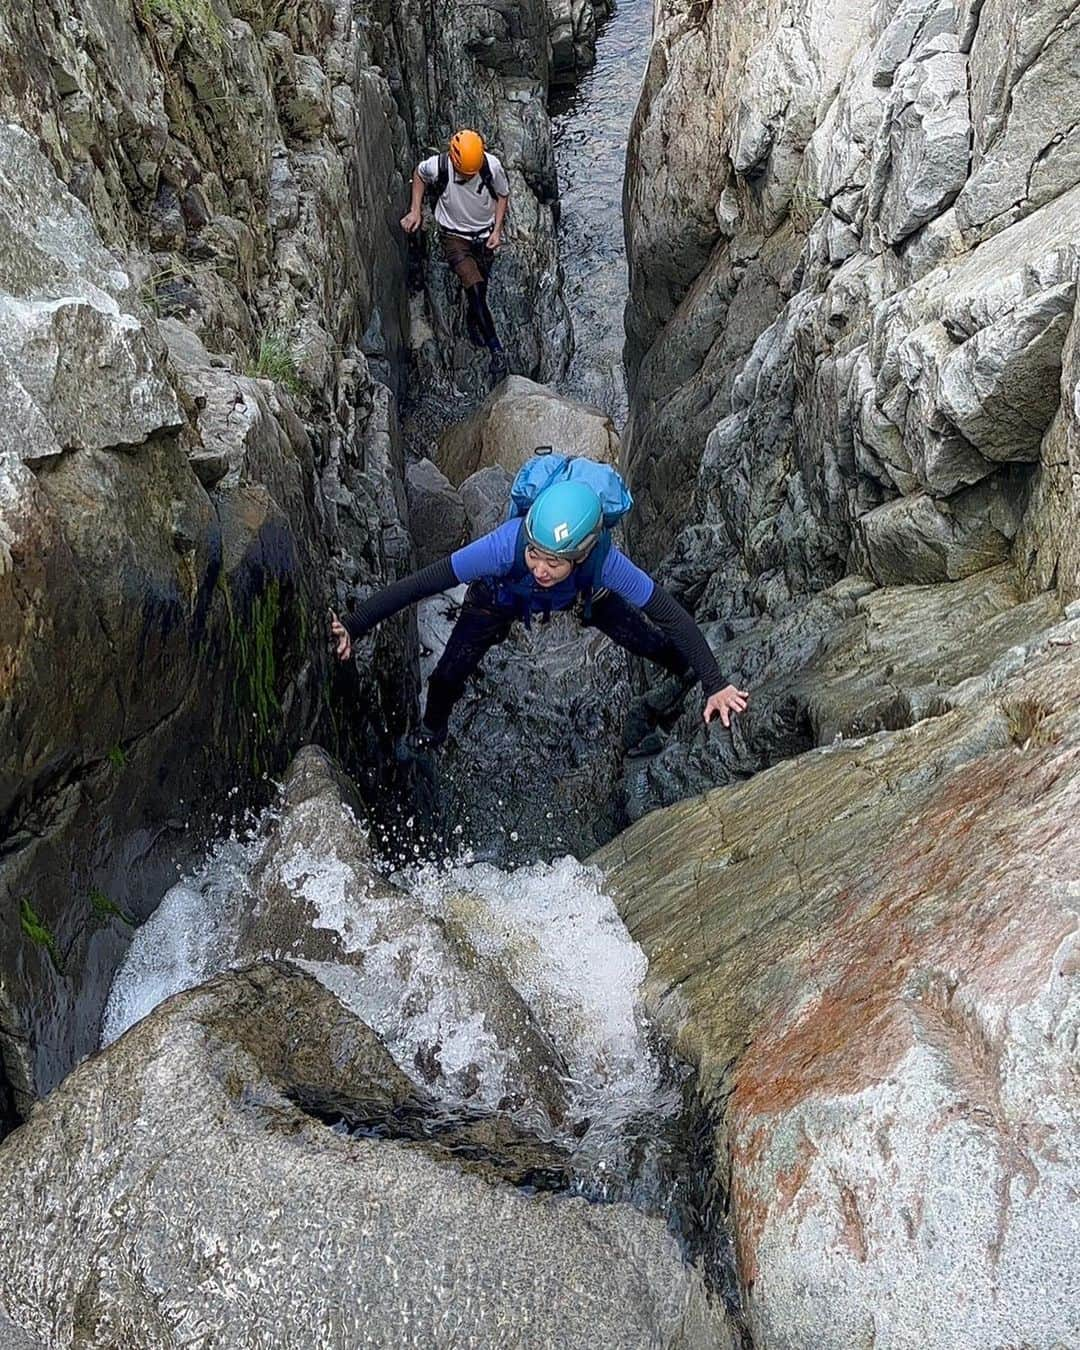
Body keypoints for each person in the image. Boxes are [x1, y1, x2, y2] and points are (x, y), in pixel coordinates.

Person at [331, 479, 749, 753]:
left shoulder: (603, 563)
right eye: (535, 554)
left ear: (582, 554)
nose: (540, 568)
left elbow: (668, 614)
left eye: (554, 561)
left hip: (580, 596)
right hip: (497, 598)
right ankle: (432, 730)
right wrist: (354, 624)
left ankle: (687, 674)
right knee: (445, 677)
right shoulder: (503, 547)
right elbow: (424, 582)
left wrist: (716, 683)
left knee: (645, 639)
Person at [401, 129, 510, 381]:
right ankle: (497, 350)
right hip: (455, 237)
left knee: (480, 290)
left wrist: (497, 229)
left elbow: (502, 195)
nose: (467, 177)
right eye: (464, 172)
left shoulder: (490, 167)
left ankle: (474, 322)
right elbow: (418, 174)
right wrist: (415, 211)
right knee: (474, 288)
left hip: (483, 236)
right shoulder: (438, 166)